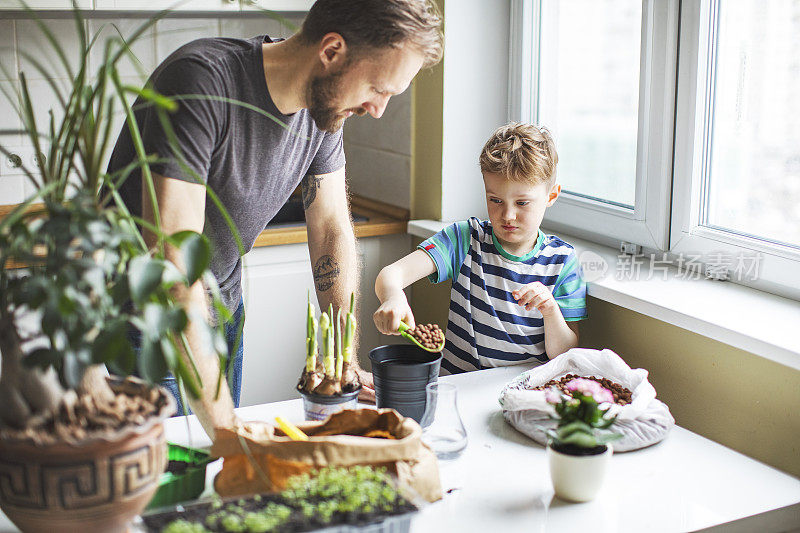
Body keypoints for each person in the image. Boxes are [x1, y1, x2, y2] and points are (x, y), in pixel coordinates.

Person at [107, 0, 443, 439]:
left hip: (223, 308)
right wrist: (230, 430)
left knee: (221, 474)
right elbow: (174, 270)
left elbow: (331, 229)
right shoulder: (198, 83)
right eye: (378, 88)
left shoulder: (326, 112)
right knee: (170, 484)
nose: (378, 109)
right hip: (146, 322)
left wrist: (342, 358)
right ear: (332, 51)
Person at [372, 123, 587, 374]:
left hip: (523, 393)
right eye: (495, 200)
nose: (508, 215)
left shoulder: (562, 261)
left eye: (522, 203)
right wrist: (392, 296)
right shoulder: (465, 239)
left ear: (551, 196)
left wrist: (550, 309)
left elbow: (564, 352)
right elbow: (391, 274)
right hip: (458, 385)